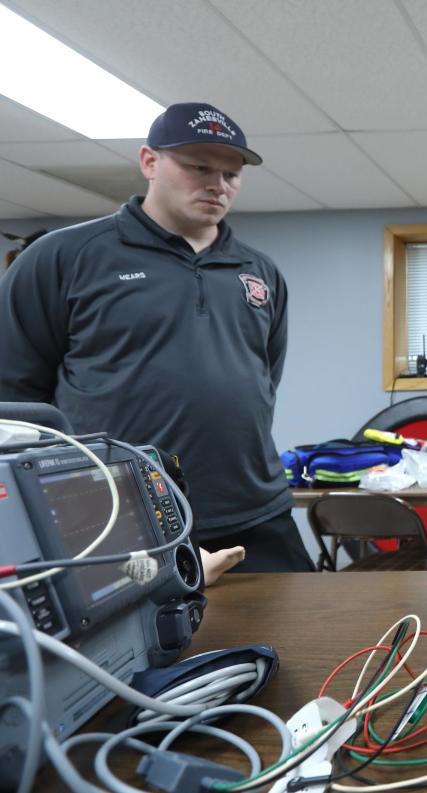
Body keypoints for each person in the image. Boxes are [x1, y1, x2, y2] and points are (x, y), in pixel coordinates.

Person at [0, 102, 313, 573]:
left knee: (300, 641)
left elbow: (263, 380)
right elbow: (16, 397)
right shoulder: (65, 257)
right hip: (118, 513)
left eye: (231, 174)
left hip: (254, 509)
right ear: (150, 161)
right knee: (138, 646)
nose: (218, 184)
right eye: (199, 166)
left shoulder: (259, 273)